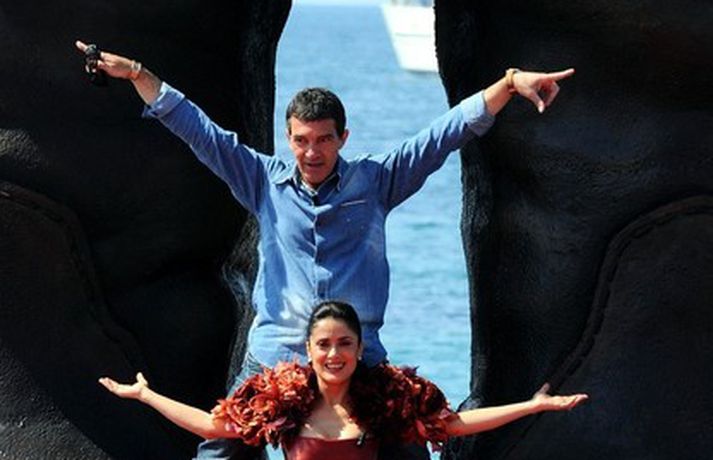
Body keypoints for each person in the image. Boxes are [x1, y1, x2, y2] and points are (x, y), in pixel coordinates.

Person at [75, 40, 575, 458]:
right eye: (300, 140)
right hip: (275, 355)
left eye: (323, 140)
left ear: (342, 138)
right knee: (219, 451)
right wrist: (137, 73)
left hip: (356, 354)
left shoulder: (375, 181)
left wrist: (510, 84)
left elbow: (442, 136)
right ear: (288, 138)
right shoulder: (263, 181)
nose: (311, 152)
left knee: (409, 448)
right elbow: (199, 131)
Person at [100, 300, 588, 460]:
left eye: (345, 344)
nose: (334, 354)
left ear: (358, 348)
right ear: (309, 350)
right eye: (324, 345)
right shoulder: (283, 399)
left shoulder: (385, 399)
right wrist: (145, 395)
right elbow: (214, 426)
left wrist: (532, 406)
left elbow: (453, 425)